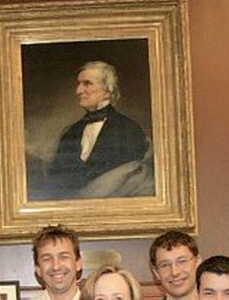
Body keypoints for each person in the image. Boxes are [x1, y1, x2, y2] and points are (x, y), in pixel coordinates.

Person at [45, 60, 151, 199]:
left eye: (87, 83)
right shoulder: (70, 132)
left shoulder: (129, 129)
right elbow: (56, 178)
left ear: (108, 90)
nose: (78, 91)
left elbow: (129, 178)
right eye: (79, 84)